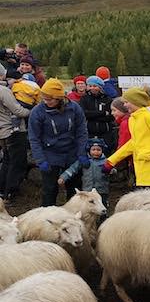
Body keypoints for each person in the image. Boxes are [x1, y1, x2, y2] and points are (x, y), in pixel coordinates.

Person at [28, 78, 88, 206]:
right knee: (49, 189)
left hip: (71, 152)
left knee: (74, 188)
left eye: (49, 99)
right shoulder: (37, 112)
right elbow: (34, 138)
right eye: (44, 98)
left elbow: (82, 131)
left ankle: (74, 216)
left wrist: (82, 152)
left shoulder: (74, 108)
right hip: (50, 154)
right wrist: (40, 160)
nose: (46, 102)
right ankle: (47, 217)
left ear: (59, 98)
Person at [104, 87, 150, 189]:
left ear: (136, 102)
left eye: (126, 102)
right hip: (141, 168)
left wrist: (146, 153)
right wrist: (112, 160)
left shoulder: (149, 116)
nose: (124, 105)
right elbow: (133, 142)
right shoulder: (133, 119)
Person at [0, 64, 32, 204]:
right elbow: (17, 110)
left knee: (7, 161)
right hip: (12, 131)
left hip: (2, 132)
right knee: (17, 163)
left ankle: (2, 189)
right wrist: (33, 111)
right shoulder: (3, 91)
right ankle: (10, 193)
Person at [58, 138, 113, 208]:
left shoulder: (106, 161)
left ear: (102, 151)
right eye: (93, 150)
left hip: (101, 190)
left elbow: (113, 169)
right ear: (89, 150)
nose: (96, 152)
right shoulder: (84, 161)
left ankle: (103, 218)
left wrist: (110, 170)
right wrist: (63, 177)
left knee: (102, 205)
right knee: (88, 206)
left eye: (98, 150)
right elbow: (73, 169)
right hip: (87, 190)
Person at [81, 75, 117, 149]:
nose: (92, 88)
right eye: (90, 86)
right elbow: (84, 114)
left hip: (105, 134)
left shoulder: (107, 99)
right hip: (89, 133)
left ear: (100, 87)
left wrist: (92, 116)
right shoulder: (84, 99)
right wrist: (102, 113)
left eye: (95, 86)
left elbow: (110, 117)